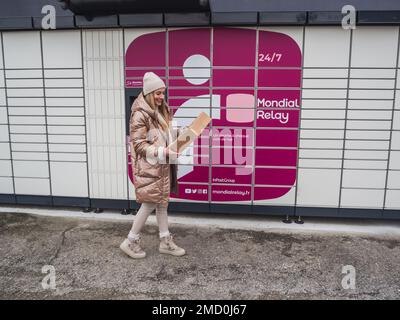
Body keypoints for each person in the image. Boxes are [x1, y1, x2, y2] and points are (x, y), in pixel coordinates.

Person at [120, 72, 186, 259]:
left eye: (163, 92)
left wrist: (183, 134)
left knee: (162, 204)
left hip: (162, 166)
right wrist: (162, 152)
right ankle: (130, 241)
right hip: (150, 168)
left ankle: (165, 242)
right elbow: (139, 145)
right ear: (148, 93)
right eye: (157, 93)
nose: (161, 97)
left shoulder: (162, 110)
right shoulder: (139, 114)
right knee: (149, 204)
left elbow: (166, 134)